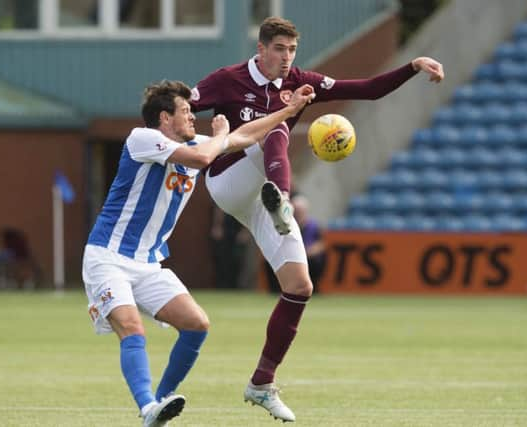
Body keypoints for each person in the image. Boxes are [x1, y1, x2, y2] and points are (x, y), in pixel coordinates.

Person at [190, 16, 444, 422]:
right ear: (261, 50)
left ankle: (261, 383)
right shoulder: (228, 79)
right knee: (277, 128)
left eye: (292, 50)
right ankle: (283, 200)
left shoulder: (300, 81)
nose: (287, 58)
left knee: (300, 287)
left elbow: (367, 90)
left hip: (263, 202)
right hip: (229, 179)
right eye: (279, 49)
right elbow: (183, 106)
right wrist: (196, 142)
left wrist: (412, 66)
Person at [82, 80, 315, 427]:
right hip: (107, 257)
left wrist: (289, 110)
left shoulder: (195, 142)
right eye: (186, 111)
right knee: (132, 329)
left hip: (148, 263)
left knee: (196, 325)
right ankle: (147, 407)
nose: (194, 116)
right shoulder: (142, 139)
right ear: (164, 117)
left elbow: (247, 135)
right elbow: (205, 156)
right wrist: (222, 132)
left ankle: (159, 405)